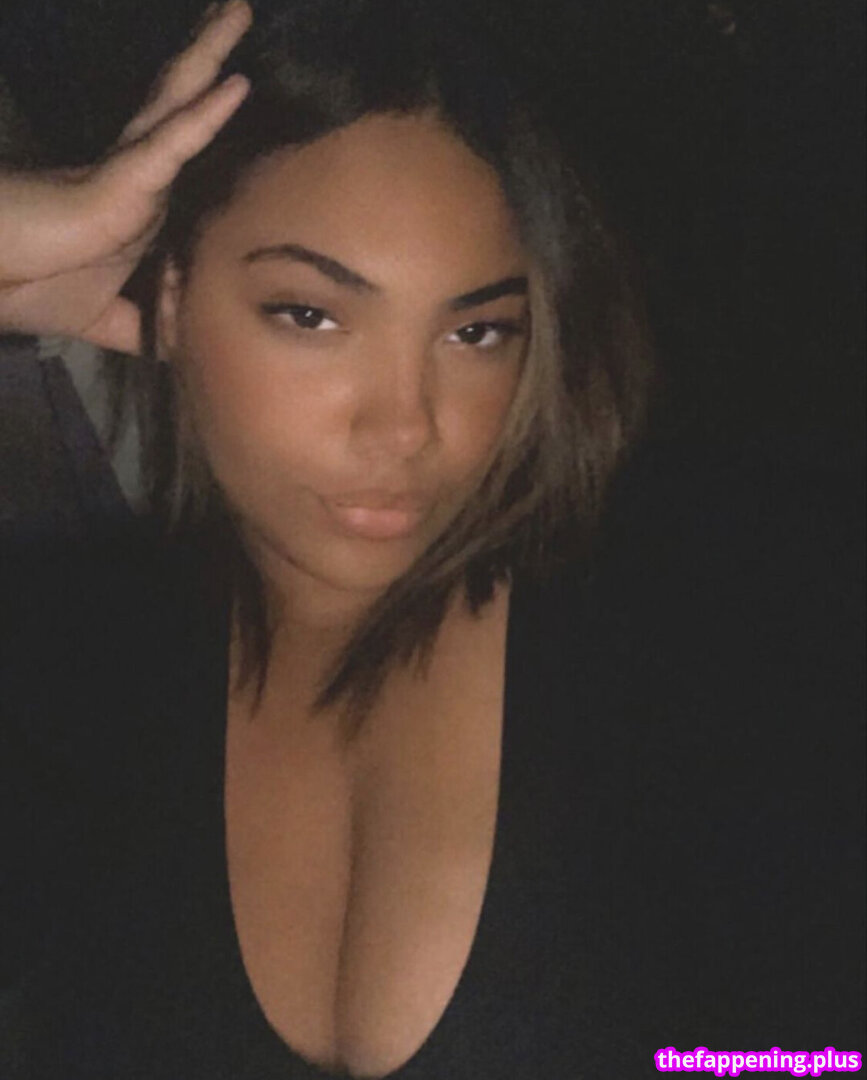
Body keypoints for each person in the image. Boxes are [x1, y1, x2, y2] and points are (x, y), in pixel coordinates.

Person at [0, 2, 862, 1078]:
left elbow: (818, 1056)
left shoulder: (726, 638)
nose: (404, 426)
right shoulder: (70, 672)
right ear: (170, 299)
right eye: (311, 315)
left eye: (474, 332)